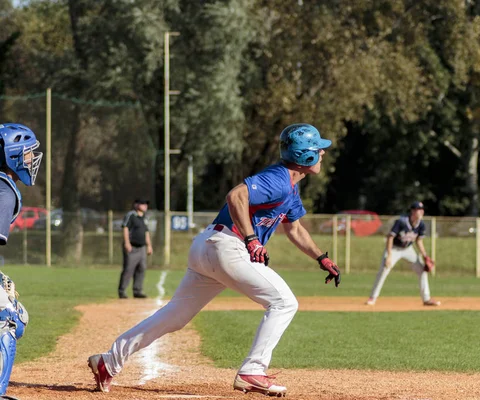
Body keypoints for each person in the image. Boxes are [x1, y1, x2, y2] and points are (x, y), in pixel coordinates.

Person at [88, 123, 340, 396]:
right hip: (227, 246)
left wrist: (321, 258)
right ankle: (253, 371)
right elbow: (236, 196)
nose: (323, 154)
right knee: (284, 302)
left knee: (175, 316)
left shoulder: (290, 189)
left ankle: (109, 361)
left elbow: (294, 228)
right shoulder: (278, 180)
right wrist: (251, 238)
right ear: (306, 156)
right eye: (319, 150)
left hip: (209, 246)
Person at [0, 123, 43, 396]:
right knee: (8, 319)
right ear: (13, 155)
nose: (31, 160)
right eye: (27, 154)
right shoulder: (4, 190)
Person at [365, 201, 441, 307]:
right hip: (394, 249)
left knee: (422, 270)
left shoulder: (421, 225)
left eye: (421, 210)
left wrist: (425, 256)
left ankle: (426, 298)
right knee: (384, 270)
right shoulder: (401, 222)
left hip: (408, 249)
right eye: (418, 210)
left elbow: (419, 241)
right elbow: (390, 237)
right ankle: (372, 298)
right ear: (412, 211)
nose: (421, 212)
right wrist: (389, 256)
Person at [118, 199, 153, 299]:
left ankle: (137, 291)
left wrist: (149, 245)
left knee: (141, 268)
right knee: (129, 269)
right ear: (136, 205)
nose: (145, 206)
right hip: (132, 247)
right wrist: (127, 243)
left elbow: (146, 232)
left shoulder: (144, 218)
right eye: (143, 204)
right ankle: (122, 291)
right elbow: (125, 228)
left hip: (142, 247)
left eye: (146, 204)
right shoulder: (131, 215)